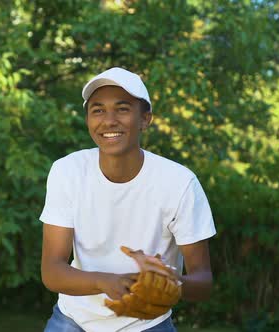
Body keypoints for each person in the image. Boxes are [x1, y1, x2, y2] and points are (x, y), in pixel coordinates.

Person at [40, 67, 216, 332]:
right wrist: (104, 282)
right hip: (73, 320)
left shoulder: (180, 183)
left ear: (145, 119)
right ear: (88, 119)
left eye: (122, 109)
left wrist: (170, 284)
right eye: (98, 110)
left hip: (148, 324)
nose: (109, 120)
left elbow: (203, 282)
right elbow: (52, 271)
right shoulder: (67, 171)